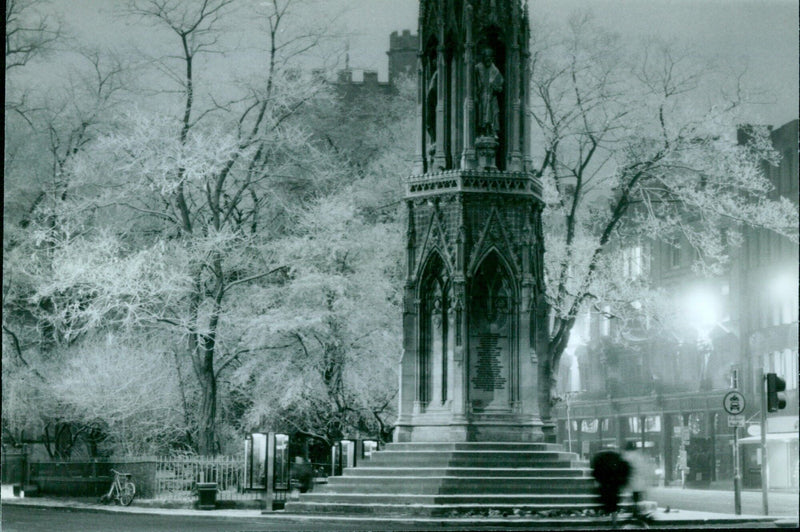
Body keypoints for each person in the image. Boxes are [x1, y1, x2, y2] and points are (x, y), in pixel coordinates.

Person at [591, 448, 630, 524]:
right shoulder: (618, 460)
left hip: (605, 485)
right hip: (614, 485)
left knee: (606, 502)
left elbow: (595, 472)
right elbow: (625, 470)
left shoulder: (601, 461)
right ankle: (613, 521)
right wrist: (622, 483)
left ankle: (604, 516)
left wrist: (597, 480)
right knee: (613, 505)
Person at [475, 46, 503, 138]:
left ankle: (492, 131)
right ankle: (482, 131)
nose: (489, 59)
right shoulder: (478, 67)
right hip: (481, 95)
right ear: (483, 57)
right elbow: (474, 83)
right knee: (482, 113)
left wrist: (496, 87)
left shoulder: (495, 70)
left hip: (492, 96)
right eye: (487, 56)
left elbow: (500, 86)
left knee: (494, 113)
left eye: (491, 57)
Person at [623, 441, 650, 518]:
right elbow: (643, 466)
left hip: (632, 479)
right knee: (636, 497)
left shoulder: (627, 455)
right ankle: (636, 511)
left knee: (633, 497)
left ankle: (635, 512)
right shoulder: (638, 455)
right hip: (638, 480)